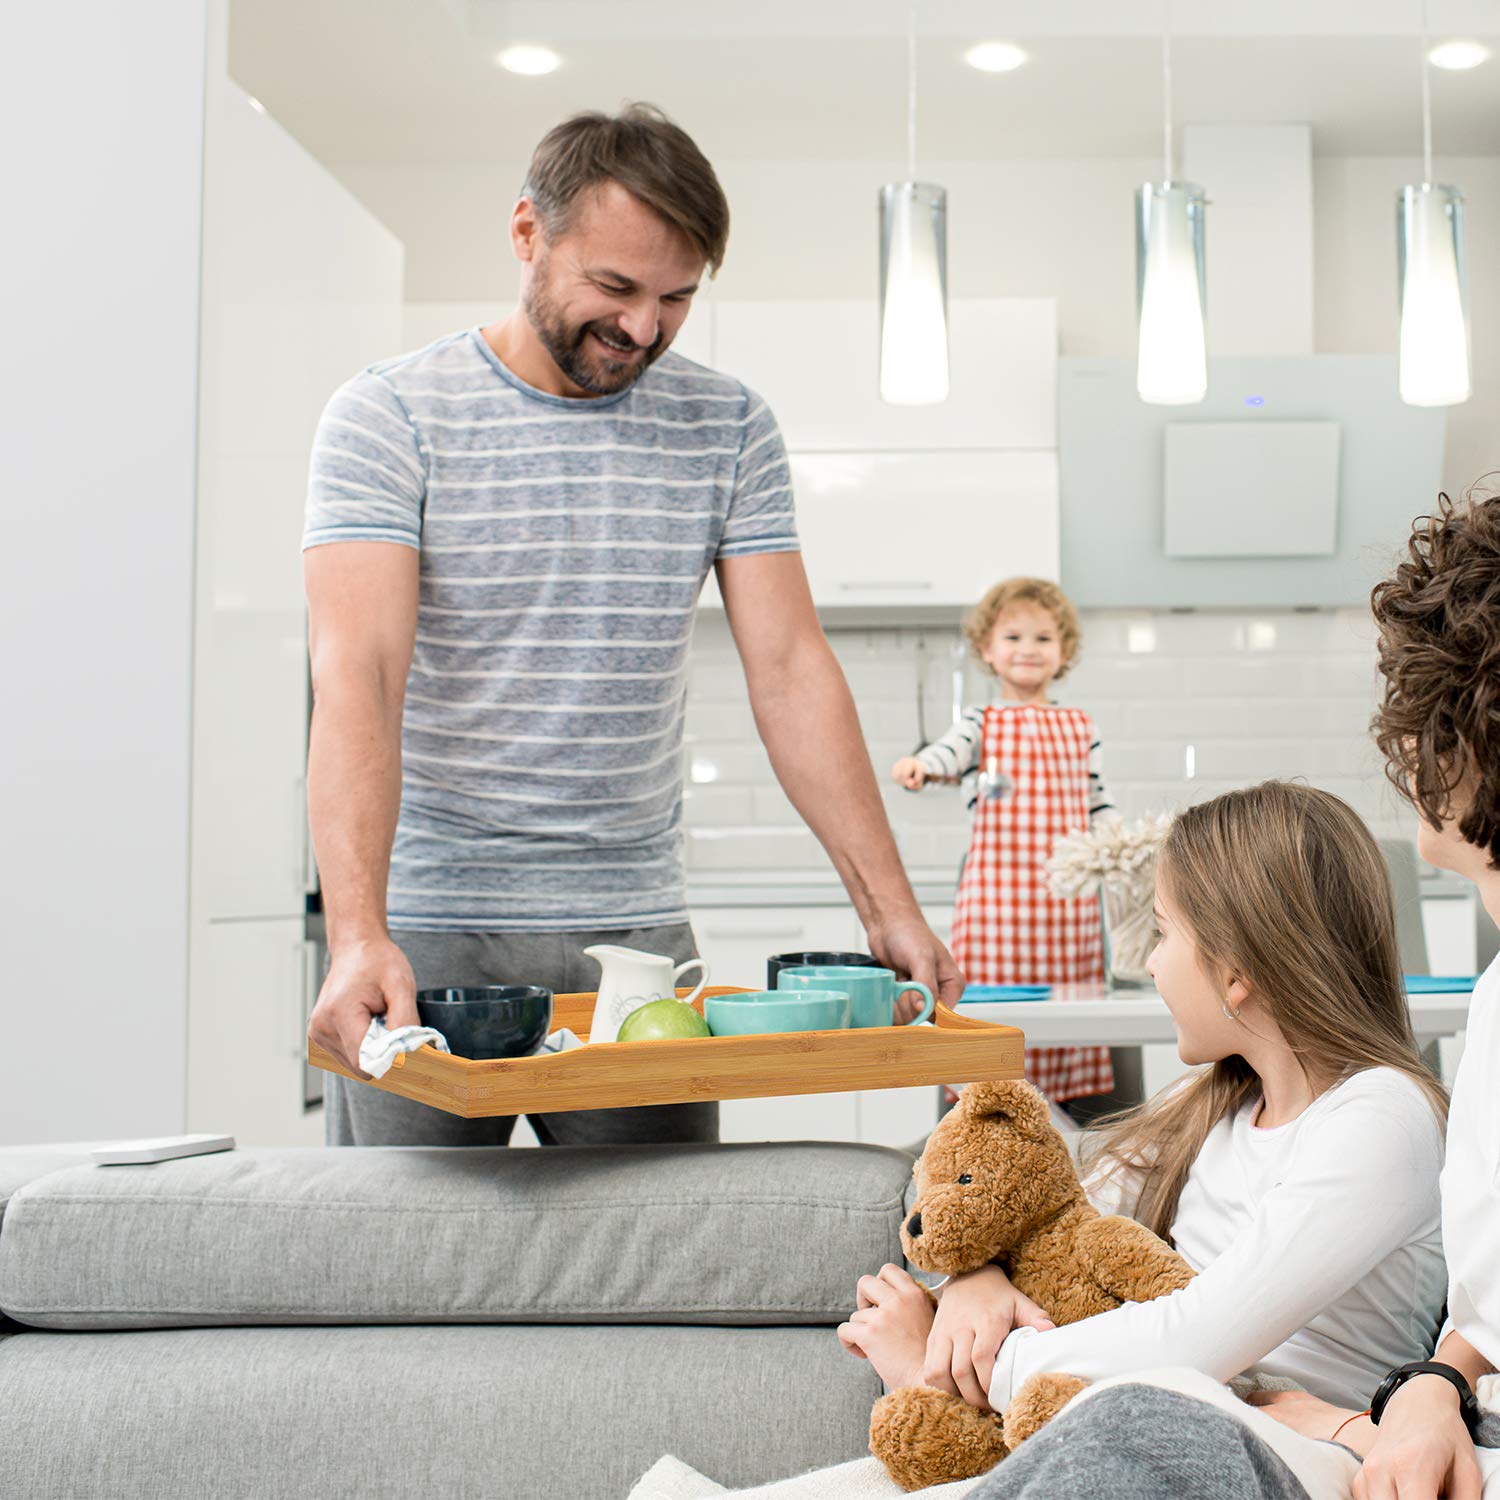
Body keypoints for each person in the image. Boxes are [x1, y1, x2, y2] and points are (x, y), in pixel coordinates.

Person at [302, 103, 959, 1149]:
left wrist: (889, 908)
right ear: (528, 233)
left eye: (677, 299)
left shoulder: (729, 426)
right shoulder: (391, 415)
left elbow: (790, 670)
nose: (644, 329)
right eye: (614, 288)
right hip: (429, 939)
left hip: (638, 938)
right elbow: (360, 681)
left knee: (656, 1270)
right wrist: (356, 934)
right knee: (406, 1267)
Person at [841, 781, 1448, 1431]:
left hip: (1286, 1435)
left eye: (1162, 934)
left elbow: (1199, 1336)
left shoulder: (1382, 1118)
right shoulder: (1218, 1103)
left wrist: (965, 1365)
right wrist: (976, 1279)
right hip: (1192, 1407)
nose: (1152, 964)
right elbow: (1052, 1217)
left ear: (1236, 973)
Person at [891, 577, 1115, 1112]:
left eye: (1043, 638)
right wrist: (922, 766)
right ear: (988, 651)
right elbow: (947, 754)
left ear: (1064, 652)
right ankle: (982, 1115)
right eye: (1013, 637)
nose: (1028, 650)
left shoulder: (1080, 727)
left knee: (1065, 1020)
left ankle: (1065, 1128)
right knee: (988, 1022)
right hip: (995, 909)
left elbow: (1096, 802)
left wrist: (1121, 846)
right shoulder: (980, 722)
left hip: (1067, 910)